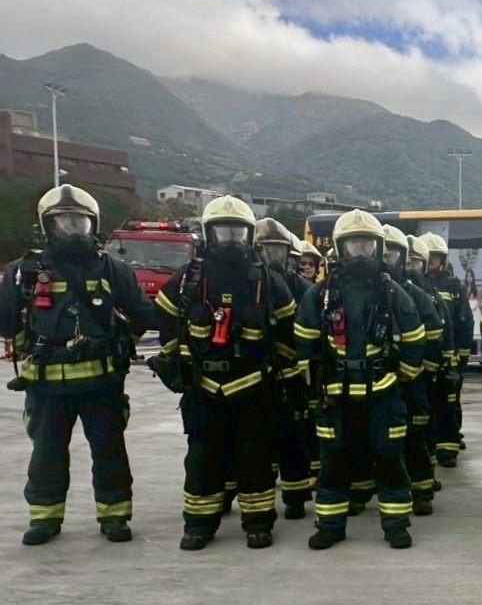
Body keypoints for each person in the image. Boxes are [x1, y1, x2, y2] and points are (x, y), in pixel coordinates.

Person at [1, 184, 153, 546]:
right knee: (47, 453)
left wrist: (115, 340)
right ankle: (44, 518)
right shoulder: (23, 272)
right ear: (45, 226)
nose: (71, 230)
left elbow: (141, 314)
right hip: (46, 385)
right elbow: (5, 320)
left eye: (79, 223)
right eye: (63, 223)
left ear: (93, 225)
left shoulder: (113, 269)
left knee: (110, 451)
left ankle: (115, 516)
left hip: (102, 382)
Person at [153, 196, 297, 550]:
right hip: (203, 386)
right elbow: (165, 322)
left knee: (255, 456)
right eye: (223, 232)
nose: (230, 240)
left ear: (249, 237)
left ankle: (259, 522)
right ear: (208, 234)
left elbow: (289, 332)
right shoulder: (189, 279)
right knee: (203, 455)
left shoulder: (267, 281)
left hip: (254, 385)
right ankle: (200, 524)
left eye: (237, 233)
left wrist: (286, 378)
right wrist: (176, 365)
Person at [296, 210, 424, 550]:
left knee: (389, 458)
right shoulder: (320, 296)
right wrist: (315, 387)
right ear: (340, 248)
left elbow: (414, 340)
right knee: (334, 461)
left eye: (367, 246)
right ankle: (331, 526)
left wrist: (400, 378)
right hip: (336, 395)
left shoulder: (393, 293)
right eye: (354, 246)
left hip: (382, 393)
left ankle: (396, 524)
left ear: (379, 248)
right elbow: (305, 344)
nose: (361, 253)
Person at [254, 217, 316, 520]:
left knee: (294, 438)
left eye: (277, 250)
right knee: (254, 441)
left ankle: (295, 497)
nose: (271, 257)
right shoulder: (246, 283)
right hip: (253, 377)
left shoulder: (303, 288)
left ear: (289, 254)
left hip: (292, 376)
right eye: (266, 249)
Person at [382, 225, 445, 516]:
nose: (386, 259)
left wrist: (422, 372)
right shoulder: (361, 292)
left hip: (411, 380)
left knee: (415, 436)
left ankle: (421, 491)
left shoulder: (415, 295)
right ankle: (364, 489)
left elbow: (433, 335)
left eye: (393, 253)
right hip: (376, 381)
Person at [420, 232, 469, 467]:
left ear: (443, 260)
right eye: (427, 258)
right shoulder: (416, 284)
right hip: (424, 357)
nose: (430, 263)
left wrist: (461, 357)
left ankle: (448, 446)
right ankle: (430, 444)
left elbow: (464, 321)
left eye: (434, 258)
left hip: (448, 355)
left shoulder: (453, 285)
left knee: (449, 402)